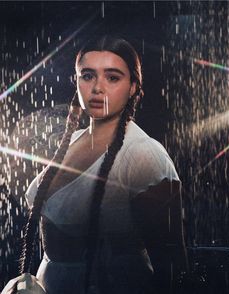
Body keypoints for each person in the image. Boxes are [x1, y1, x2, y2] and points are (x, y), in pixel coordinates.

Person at [16, 36, 188, 293]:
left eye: (113, 77)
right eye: (88, 75)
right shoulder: (72, 140)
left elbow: (172, 264)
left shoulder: (143, 155)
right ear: (77, 81)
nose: (98, 88)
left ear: (132, 87)